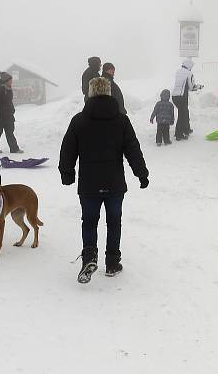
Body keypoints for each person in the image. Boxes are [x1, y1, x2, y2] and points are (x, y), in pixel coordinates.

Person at [59, 77, 149, 283]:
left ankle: (89, 257)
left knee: (89, 221)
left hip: (89, 184)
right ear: (109, 92)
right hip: (114, 184)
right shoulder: (122, 120)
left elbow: (67, 149)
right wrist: (141, 173)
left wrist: (67, 173)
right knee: (114, 222)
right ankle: (112, 262)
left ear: (90, 93)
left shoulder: (79, 120)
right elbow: (132, 149)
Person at [0, 71, 23, 154]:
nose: (11, 82)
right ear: (5, 81)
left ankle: (14, 149)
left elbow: (9, 102)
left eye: (11, 80)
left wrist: (12, 109)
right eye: (10, 80)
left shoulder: (8, 89)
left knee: (10, 132)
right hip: (0, 116)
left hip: (8, 115)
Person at [171, 58, 200, 141]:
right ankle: (178, 135)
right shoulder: (189, 73)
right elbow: (191, 87)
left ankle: (186, 129)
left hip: (174, 96)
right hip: (182, 97)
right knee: (182, 115)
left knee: (185, 112)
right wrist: (198, 87)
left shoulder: (178, 72)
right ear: (189, 66)